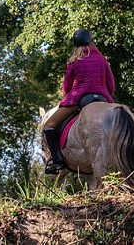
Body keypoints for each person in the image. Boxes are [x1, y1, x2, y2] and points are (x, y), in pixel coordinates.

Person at [42, 29, 115, 175]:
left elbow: (66, 88)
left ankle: (57, 162)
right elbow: (111, 84)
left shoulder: (74, 61)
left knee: (48, 126)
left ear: (75, 45)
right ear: (91, 41)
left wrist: (68, 99)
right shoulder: (102, 59)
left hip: (78, 98)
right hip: (102, 97)